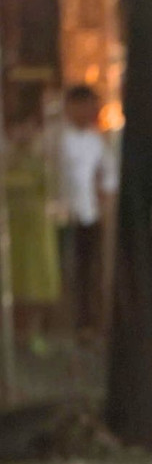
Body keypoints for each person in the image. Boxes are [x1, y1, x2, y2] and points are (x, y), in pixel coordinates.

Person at [55, 85, 117, 340]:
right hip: (58, 217)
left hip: (88, 216)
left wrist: (103, 203)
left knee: (87, 270)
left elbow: (110, 176)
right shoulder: (56, 138)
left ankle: (87, 323)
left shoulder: (96, 140)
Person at [4, 111, 62, 349]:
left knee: (40, 282)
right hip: (12, 228)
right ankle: (16, 333)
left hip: (37, 227)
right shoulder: (6, 159)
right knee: (14, 283)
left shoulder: (42, 159)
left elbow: (51, 190)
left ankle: (36, 332)